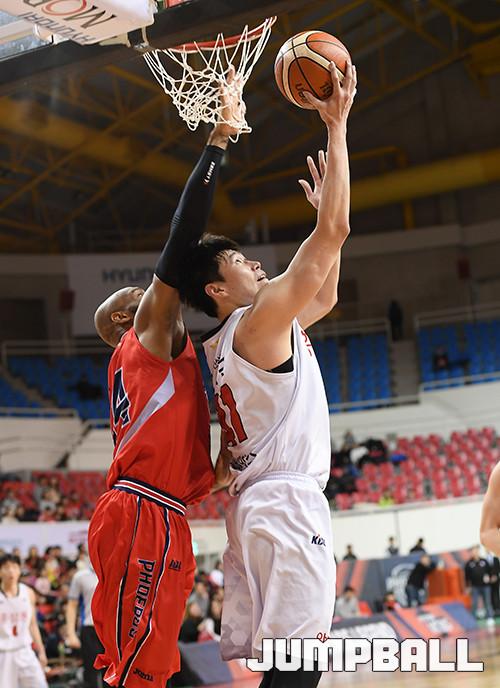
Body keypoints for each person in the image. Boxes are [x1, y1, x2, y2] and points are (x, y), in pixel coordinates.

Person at [179, 62, 357, 688]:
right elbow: (333, 231)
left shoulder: (240, 339)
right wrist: (336, 126)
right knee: (300, 667)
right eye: (237, 260)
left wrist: (329, 222)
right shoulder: (255, 326)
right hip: (283, 505)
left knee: (283, 667)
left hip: (259, 508)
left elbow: (325, 293)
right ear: (215, 288)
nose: (253, 263)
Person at [87, 80, 243, 688]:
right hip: (140, 511)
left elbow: (211, 475)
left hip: (167, 511)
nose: (152, 292)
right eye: (140, 294)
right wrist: (219, 140)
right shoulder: (143, 342)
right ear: (126, 320)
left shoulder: (169, 361)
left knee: (155, 667)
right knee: (133, 671)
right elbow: (181, 242)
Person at [0, 553, 48, 688]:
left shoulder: (28, 592)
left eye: (14, 567)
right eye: (6, 567)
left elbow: (33, 625)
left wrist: (41, 651)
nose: (11, 571)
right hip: (3, 654)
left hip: (25, 651)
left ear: (19, 570)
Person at [66, 560, 103, 688]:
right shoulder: (80, 576)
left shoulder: (118, 571)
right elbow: (72, 605)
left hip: (112, 631)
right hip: (90, 628)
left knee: (113, 673)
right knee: (91, 673)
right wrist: (71, 633)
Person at [464, 546, 495, 626]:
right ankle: (472, 619)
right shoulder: (469, 563)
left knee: (487, 602)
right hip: (475, 586)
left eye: (476, 551)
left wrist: (491, 577)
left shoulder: (484, 561)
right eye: (473, 551)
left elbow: (490, 571)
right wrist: (468, 587)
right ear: (471, 552)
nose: (475, 553)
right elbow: (466, 577)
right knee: (474, 603)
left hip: (485, 586)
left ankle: (490, 617)